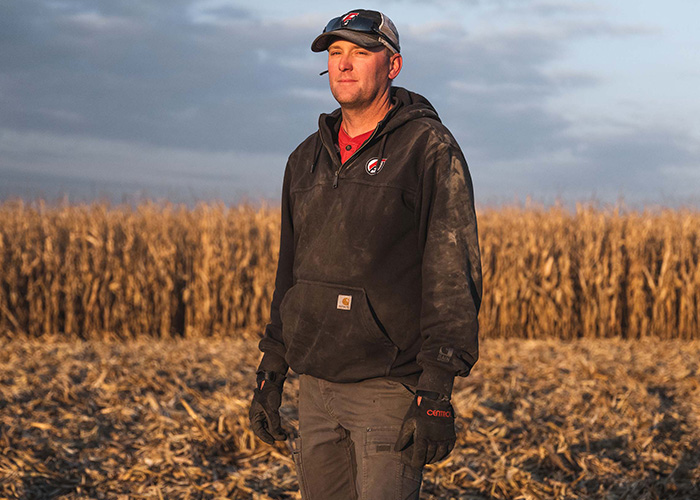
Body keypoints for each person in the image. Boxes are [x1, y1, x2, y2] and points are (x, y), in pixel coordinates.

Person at [248, 9, 482, 500]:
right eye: (335, 53)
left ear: (392, 66)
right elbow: (289, 271)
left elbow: (452, 273)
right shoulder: (305, 158)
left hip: (387, 389)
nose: (344, 64)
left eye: (360, 51)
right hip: (315, 390)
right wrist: (272, 370)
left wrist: (436, 389)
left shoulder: (428, 150)